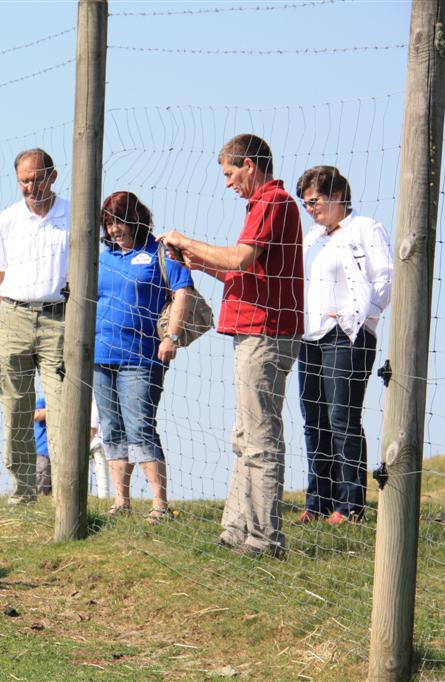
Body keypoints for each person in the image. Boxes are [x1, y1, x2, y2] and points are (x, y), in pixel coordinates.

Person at [160, 134, 303, 558]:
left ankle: (264, 539)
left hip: (265, 332)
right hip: (256, 329)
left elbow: (241, 259)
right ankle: (237, 529)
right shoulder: (265, 207)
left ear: (251, 166)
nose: (227, 183)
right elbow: (247, 273)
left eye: (229, 173)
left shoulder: (272, 203)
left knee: (259, 437)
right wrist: (199, 263)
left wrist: (187, 242)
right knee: (244, 434)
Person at [293, 166, 392, 525]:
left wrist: (362, 316)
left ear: (336, 195)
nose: (310, 208)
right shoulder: (312, 238)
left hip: (347, 336)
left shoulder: (364, 228)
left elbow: (384, 278)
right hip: (310, 336)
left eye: (314, 200)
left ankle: (350, 506)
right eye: (305, 203)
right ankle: (318, 501)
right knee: (313, 419)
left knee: (341, 417)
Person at [94, 192, 193, 523]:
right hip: (101, 355)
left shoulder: (159, 252)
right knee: (111, 428)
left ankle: (159, 504)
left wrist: (172, 336)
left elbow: (183, 292)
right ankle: (121, 501)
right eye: (108, 223)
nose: (114, 229)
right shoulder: (102, 258)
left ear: (136, 219)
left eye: (119, 221)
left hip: (141, 356)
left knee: (140, 427)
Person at [0, 148, 70, 504]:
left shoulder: (74, 214)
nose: (30, 186)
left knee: (65, 405)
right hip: (14, 317)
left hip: (61, 318)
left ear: (52, 176)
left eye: (37, 178)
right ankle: (23, 491)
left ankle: (67, 491)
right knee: (16, 408)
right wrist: (15, 309)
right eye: (24, 180)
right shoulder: (6, 219)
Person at [33, 396, 52, 496]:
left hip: (58, 455)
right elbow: (36, 415)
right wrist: (56, 409)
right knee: (41, 486)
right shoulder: (43, 401)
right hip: (43, 452)